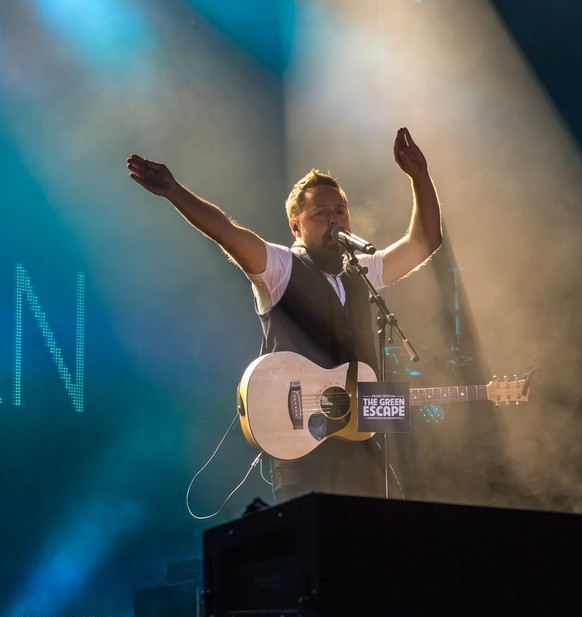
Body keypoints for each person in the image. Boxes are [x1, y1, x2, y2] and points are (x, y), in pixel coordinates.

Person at [128, 127, 442, 502]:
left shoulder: (363, 271)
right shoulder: (280, 268)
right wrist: (175, 192)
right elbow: (226, 232)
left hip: (363, 447)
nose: (334, 220)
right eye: (320, 214)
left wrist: (420, 177)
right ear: (296, 226)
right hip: (301, 449)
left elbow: (426, 240)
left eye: (340, 211)